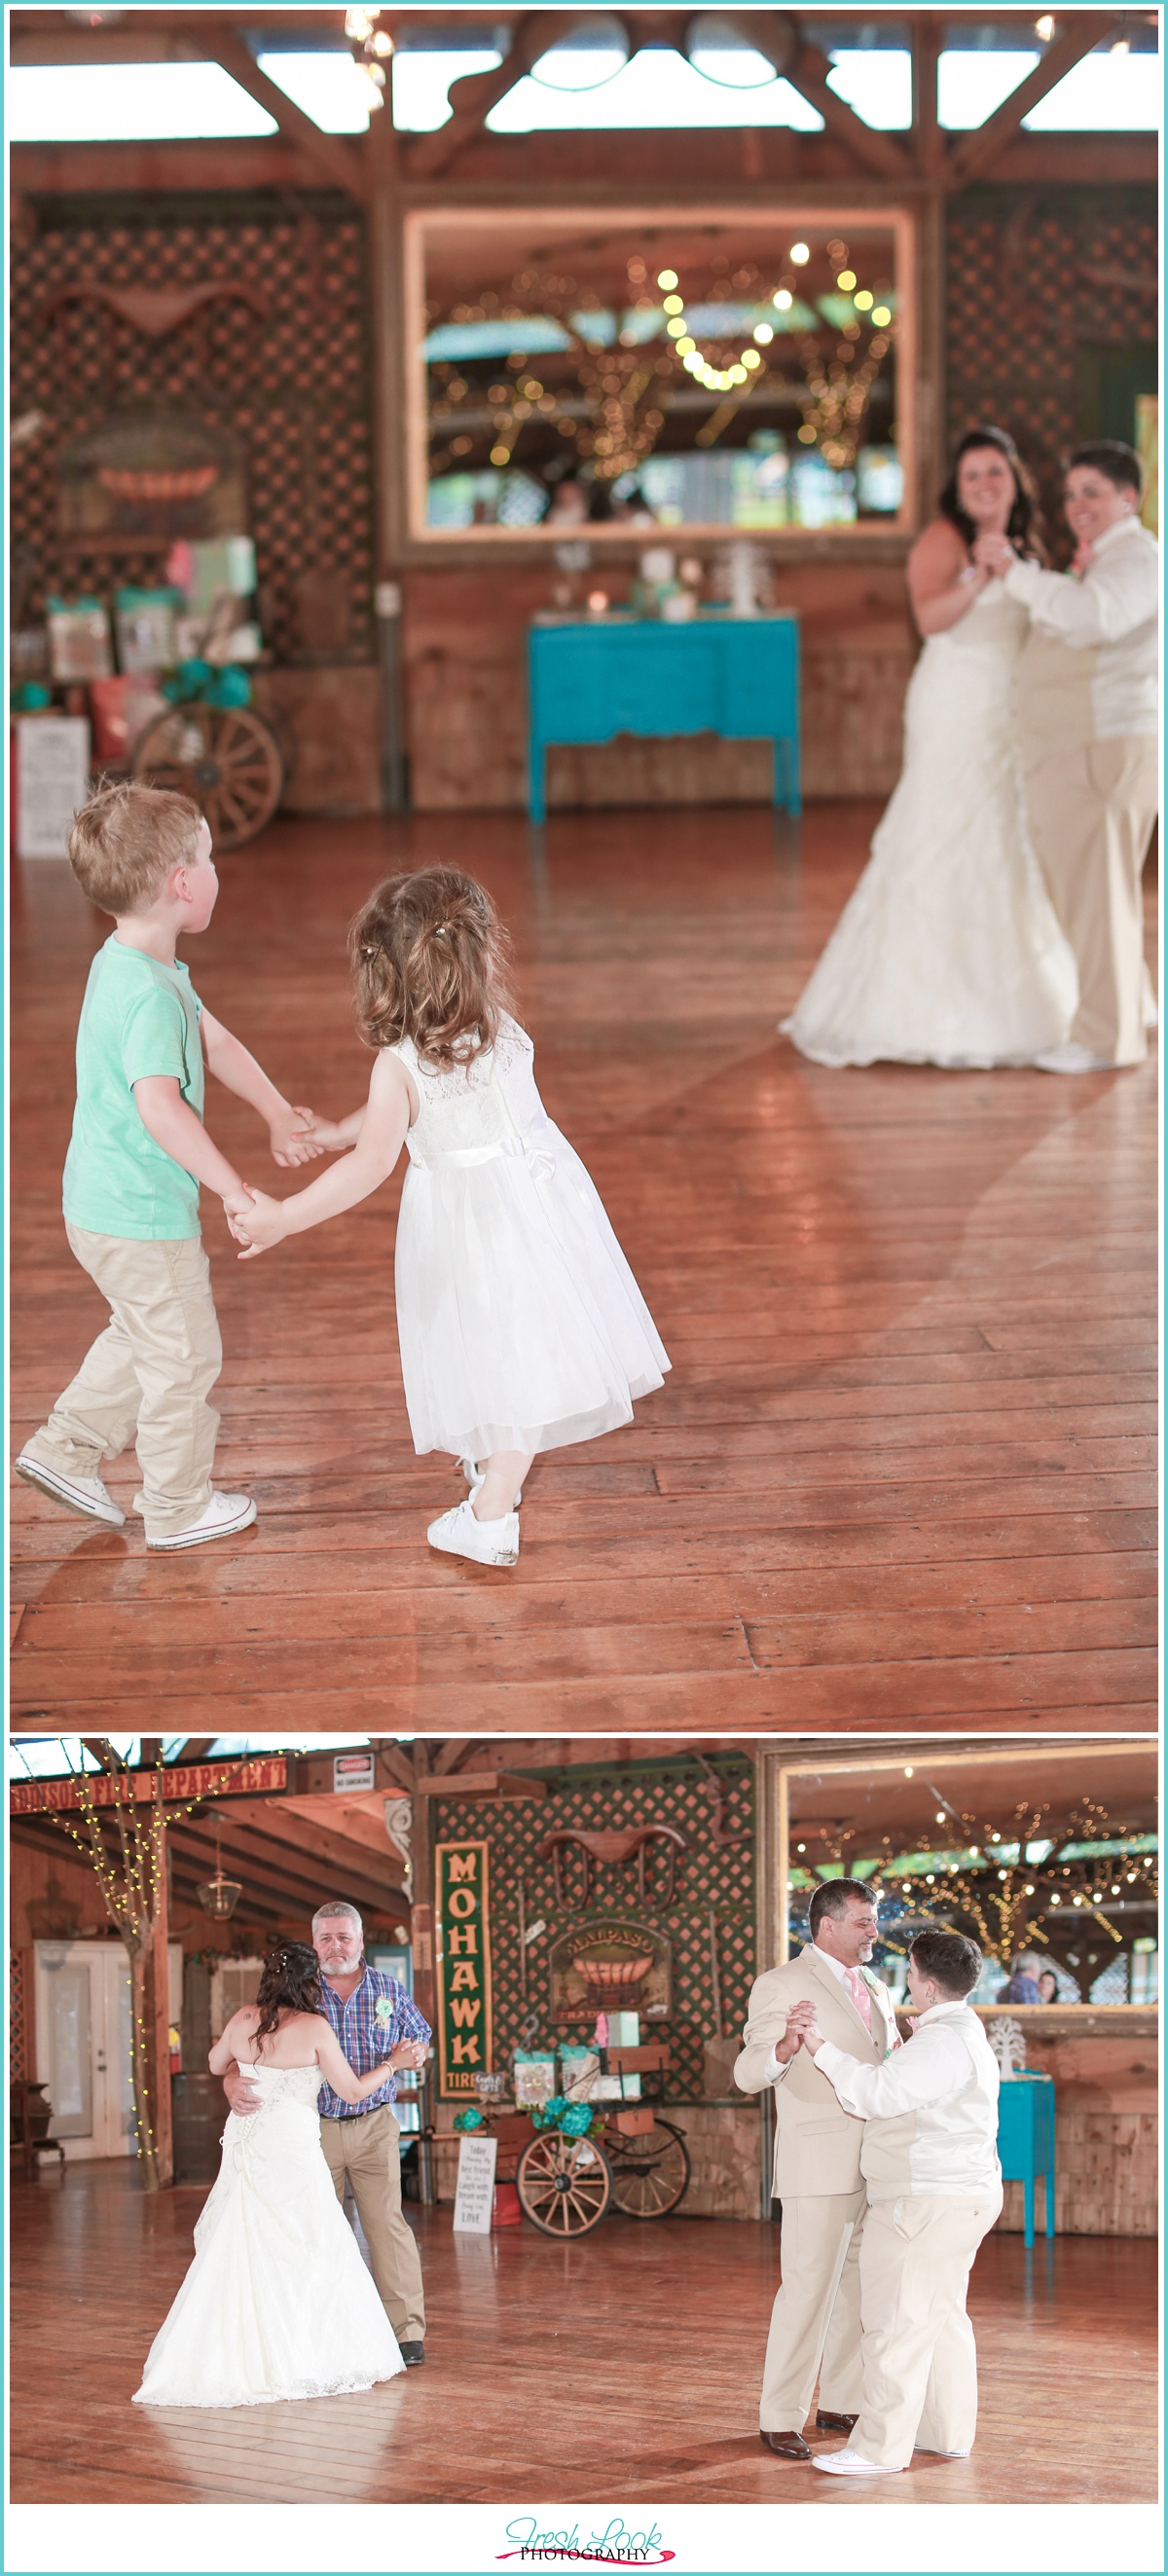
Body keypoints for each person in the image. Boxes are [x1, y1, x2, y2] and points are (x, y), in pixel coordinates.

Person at [230, 866, 670, 1568]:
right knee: (517, 1342)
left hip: (471, 1228)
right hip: (541, 1206)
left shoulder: (396, 1064)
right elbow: (412, 1120)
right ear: (475, 954)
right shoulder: (499, 1027)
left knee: (498, 1353)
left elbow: (377, 1161)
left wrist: (284, 1216)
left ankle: (493, 1512)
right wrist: (340, 1130)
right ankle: (492, 1463)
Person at [14, 780, 321, 1550]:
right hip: (142, 1214)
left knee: (145, 1329)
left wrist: (276, 1109)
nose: (217, 870)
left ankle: (65, 1448)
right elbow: (160, 1107)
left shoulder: (133, 963)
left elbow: (213, 1041)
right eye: (210, 858)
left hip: (99, 1206)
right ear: (182, 885)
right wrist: (233, 1185)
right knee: (185, 1352)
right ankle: (178, 1503)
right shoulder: (150, 994)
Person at [783, 425, 1076, 1070]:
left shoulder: (1031, 539)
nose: (984, 485)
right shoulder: (944, 540)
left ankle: (1025, 990)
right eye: (972, 476)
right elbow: (930, 618)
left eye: (994, 472)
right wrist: (981, 574)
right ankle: (920, 1003)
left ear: (1013, 478)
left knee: (1006, 833)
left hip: (1011, 706)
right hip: (955, 700)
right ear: (958, 488)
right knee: (945, 828)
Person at [134, 1941, 406, 2408]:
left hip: (248, 2141)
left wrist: (235, 2078)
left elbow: (216, 2063)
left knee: (244, 2241)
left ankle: (235, 2351)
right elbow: (353, 2090)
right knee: (308, 2239)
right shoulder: (315, 2027)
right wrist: (392, 2064)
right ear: (310, 1982)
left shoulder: (244, 2019)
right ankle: (302, 2352)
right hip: (293, 2145)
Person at [786, 1928, 1002, 2479]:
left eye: (910, 1972)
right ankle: (945, 2432)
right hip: (962, 2197)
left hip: (924, 2200)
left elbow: (875, 2094)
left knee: (894, 2325)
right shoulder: (962, 2031)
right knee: (943, 2317)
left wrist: (819, 2047)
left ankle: (879, 2448)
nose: (906, 1979)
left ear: (927, 1987)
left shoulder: (942, 2042)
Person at [976, 440, 1159, 1071]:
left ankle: (1104, 1040)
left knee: (1096, 900)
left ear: (1128, 498)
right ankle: (1132, 1012)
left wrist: (1021, 577)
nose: (1077, 505)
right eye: (1072, 493)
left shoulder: (1138, 557)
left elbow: (1096, 619)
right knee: (1097, 895)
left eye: (1094, 492)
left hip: (1098, 750)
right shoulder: (1110, 556)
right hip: (1082, 749)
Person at [734, 1879, 900, 2462]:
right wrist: (782, 2047)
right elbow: (748, 2071)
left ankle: (841, 2401)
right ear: (827, 1925)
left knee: (856, 2287)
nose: (873, 1931)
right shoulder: (780, 1984)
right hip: (817, 2161)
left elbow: (886, 2060)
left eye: (873, 1921)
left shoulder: (876, 1985)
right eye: (862, 1922)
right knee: (806, 2291)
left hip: (874, 2160)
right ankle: (780, 2415)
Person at [222, 1902, 431, 2364]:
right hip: (309, 2133)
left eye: (344, 1938)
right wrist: (230, 2080)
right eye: (326, 1938)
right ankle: (321, 2329)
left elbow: (421, 2039)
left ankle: (406, 2333)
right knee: (316, 2232)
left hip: (374, 2125)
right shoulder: (296, 1995)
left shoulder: (388, 1989)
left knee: (387, 2226)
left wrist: (414, 2052)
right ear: (314, 1943)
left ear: (360, 1941)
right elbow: (250, 2053)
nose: (335, 1947)